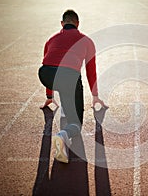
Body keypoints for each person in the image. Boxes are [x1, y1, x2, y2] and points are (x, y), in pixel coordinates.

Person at [38, 9, 106, 163]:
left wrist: (49, 95)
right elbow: (91, 71)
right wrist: (95, 96)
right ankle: (63, 135)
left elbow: (49, 64)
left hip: (45, 74)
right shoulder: (86, 41)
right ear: (77, 24)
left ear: (62, 24)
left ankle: (65, 109)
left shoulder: (51, 39)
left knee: (63, 84)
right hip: (68, 77)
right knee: (75, 124)